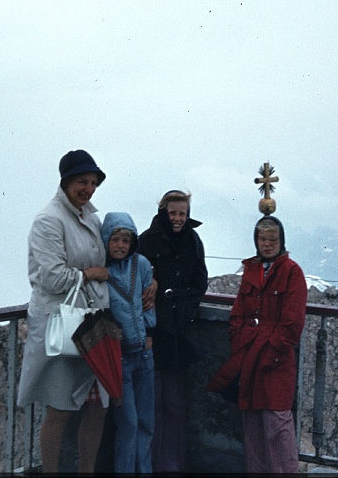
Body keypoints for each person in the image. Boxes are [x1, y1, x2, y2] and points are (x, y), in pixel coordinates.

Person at [17, 149, 113, 473]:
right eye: (81, 181)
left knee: (98, 405)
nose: (87, 188)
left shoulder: (91, 217)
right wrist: (89, 274)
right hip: (63, 323)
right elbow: (52, 276)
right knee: (60, 409)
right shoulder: (49, 219)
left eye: (92, 182)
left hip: (92, 323)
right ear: (66, 182)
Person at [206, 215, 307, 474]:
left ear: (281, 241)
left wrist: (271, 352)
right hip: (249, 355)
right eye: (263, 239)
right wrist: (241, 343)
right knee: (252, 423)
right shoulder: (252, 270)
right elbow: (238, 313)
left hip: (275, 359)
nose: (267, 244)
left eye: (273, 239)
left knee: (277, 423)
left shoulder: (292, 272)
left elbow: (292, 322)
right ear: (256, 241)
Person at [138, 190, 208, 473]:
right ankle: (152, 465)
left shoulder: (192, 240)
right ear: (163, 211)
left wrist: (186, 312)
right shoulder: (146, 240)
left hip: (177, 330)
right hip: (153, 329)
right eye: (173, 213)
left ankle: (173, 466)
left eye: (182, 213)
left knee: (176, 404)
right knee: (152, 403)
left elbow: (199, 281)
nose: (178, 219)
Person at [99, 212, 157, 473]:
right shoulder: (102, 271)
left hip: (144, 355)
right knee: (129, 423)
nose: (120, 245)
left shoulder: (142, 265)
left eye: (125, 240)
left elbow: (148, 301)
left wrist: (149, 335)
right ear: (105, 241)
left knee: (146, 422)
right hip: (118, 359)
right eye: (115, 240)